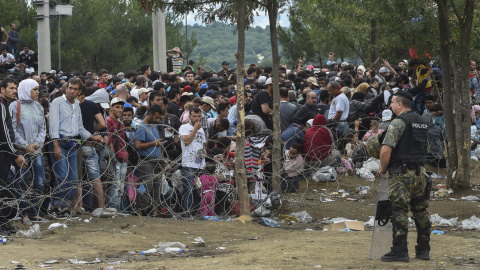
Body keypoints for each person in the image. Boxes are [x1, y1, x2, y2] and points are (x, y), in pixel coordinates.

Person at [379, 90, 431, 262]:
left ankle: (400, 250)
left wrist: (383, 168)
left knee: (399, 210)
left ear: (400, 104)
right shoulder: (422, 121)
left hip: (401, 173)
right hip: (420, 172)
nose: (391, 106)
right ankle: (424, 250)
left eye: (393, 103)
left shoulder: (398, 122)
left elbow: (386, 149)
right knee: (421, 211)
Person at [48, 78, 103, 218]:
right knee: (62, 176)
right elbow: (53, 126)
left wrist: (92, 137)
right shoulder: (57, 102)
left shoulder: (77, 105)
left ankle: (65, 207)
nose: (71, 91)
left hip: (73, 144)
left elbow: (79, 127)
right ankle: (54, 206)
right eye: (70, 88)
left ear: (79, 91)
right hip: (59, 142)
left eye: (75, 89)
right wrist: (55, 145)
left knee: (73, 179)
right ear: (66, 88)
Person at [10, 79, 47, 225]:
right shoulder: (15, 105)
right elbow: (13, 129)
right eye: (35, 89)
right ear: (26, 89)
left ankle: (34, 212)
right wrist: (25, 145)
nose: (38, 92)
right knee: (22, 182)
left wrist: (36, 143)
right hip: (22, 151)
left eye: (38, 89)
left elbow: (43, 129)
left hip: (36, 150)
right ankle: (23, 213)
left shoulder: (38, 106)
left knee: (40, 180)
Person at [0, 79, 25, 236]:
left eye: (16, 88)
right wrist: (15, 154)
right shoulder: (2, 106)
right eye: (11, 88)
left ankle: (3, 223)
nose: (14, 91)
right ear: (2, 89)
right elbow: (5, 134)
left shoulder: (5, 105)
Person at [133, 104, 164, 216]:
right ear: (149, 114)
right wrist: (153, 143)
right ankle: (139, 210)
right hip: (146, 160)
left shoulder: (153, 126)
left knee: (156, 186)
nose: (158, 120)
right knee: (146, 186)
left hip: (157, 161)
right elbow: (138, 145)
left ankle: (154, 211)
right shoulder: (141, 127)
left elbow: (158, 144)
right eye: (156, 117)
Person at [180, 107, 207, 217]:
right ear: (190, 116)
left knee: (199, 190)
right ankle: (186, 214)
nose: (196, 118)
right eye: (194, 116)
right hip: (188, 164)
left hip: (200, 164)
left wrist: (204, 153)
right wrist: (195, 129)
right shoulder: (184, 127)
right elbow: (186, 141)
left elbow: (203, 145)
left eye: (198, 116)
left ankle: (196, 213)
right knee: (188, 189)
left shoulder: (201, 129)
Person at [106, 98, 129, 210]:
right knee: (115, 186)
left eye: (121, 107)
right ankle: (113, 208)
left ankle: (118, 209)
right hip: (115, 159)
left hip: (123, 158)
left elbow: (123, 141)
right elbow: (110, 142)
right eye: (117, 107)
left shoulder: (120, 123)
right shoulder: (109, 121)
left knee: (121, 187)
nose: (120, 110)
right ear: (111, 108)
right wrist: (113, 159)